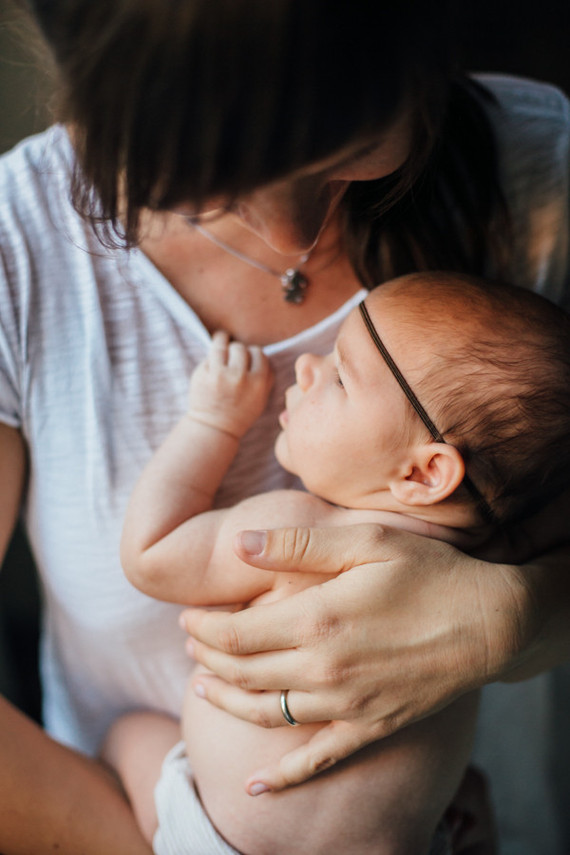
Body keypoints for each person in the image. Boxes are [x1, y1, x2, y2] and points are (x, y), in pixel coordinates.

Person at [0, 0, 569, 852]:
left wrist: (521, 614)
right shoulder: (19, 245)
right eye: (216, 181)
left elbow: (157, 549)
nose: (292, 233)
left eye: (343, 152)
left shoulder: (545, 173)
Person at [105, 272, 570, 855]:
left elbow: (152, 554)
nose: (307, 366)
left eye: (341, 375)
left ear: (423, 473)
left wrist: (212, 422)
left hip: (217, 839)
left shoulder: (304, 530)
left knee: (129, 733)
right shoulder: (498, 569)